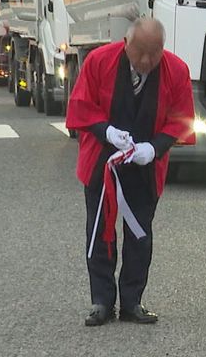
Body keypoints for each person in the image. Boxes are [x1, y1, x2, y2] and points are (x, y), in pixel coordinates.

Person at [65, 18, 195, 326]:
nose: (147, 61)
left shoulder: (176, 70)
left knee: (140, 233)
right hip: (103, 162)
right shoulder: (99, 61)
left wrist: (155, 147)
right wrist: (106, 131)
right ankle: (101, 301)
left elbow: (182, 119)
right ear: (126, 43)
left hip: (145, 166)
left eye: (155, 52)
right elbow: (82, 106)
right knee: (100, 232)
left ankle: (132, 301)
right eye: (140, 53)